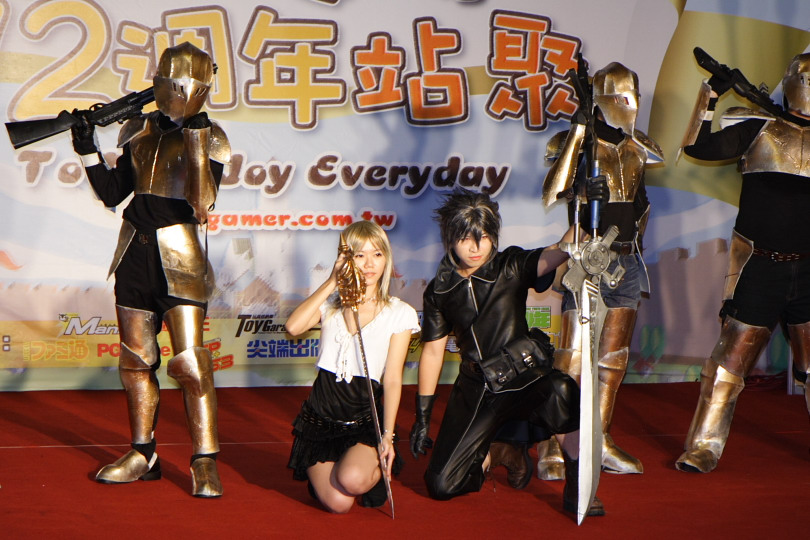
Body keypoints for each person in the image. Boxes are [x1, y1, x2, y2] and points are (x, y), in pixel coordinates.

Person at [70, 42, 230, 497]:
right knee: (136, 362)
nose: (178, 93)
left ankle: (204, 460)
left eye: (187, 86)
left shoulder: (213, 137)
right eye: (171, 83)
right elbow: (111, 193)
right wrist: (87, 148)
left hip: (181, 258)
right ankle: (144, 453)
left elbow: (201, 202)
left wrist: (196, 138)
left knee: (192, 363)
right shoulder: (136, 129)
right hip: (134, 254)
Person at [409, 188, 604, 517]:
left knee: (562, 389)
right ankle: (503, 451)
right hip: (478, 388)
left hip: (525, 375)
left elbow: (560, 250)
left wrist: (585, 212)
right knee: (441, 485)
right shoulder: (439, 290)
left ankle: (579, 484)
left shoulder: (509, 265)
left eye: (484, 237)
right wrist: (423, 416)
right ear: (450, 238)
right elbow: (431, 353)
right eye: (465, 238)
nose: (476, 248)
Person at [674, 52, 810, 473]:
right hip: (760, 268)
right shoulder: (759, 128)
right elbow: (697, 147)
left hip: (808, 271)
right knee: (727, 366)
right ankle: (703, 446)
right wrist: (710, 95)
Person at [536, 61, 663, 479]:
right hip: (588, 258)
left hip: (626, 261)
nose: (631, 105)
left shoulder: (638, 147)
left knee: (612, 361)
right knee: (571, 360)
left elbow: (640, 202)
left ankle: (598, 439)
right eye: (623, 97)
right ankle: (555, 445)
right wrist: (578, 143)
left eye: (634, 96)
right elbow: (551, 193)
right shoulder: (579, 143)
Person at [286, 220, 420, 513]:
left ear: (386, 258)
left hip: (363, 421)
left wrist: (387, 436)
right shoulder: (330, 305)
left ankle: (358, 466)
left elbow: (393, 378)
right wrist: (332, 281)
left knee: (353, 480)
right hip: (321, 421)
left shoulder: (400, 313)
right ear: (346, 259)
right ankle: (329, 473)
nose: (370, 264)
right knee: (340, 505)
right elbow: (293, 327)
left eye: (377, 254)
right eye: (360, 255)